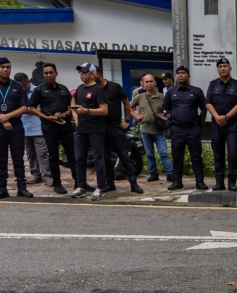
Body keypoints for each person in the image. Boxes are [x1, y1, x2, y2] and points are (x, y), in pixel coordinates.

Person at [0, 57, 31, 200]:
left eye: (8, 67)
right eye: (2, 67)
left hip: (15, 125)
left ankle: (22, 187)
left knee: (18, 157)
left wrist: (7, 117)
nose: (6, 69)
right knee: (0, 157)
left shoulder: (17, 86)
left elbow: (24, 107)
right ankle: (1, 188)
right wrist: (1, 118)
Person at [28, 63, 77, 195]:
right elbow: (31, 108)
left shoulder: (63, 89)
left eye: (51, 72)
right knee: (53, 156)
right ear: (43, 75)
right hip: (49, 127)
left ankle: (79, 183)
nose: (49, 75)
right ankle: (57, 183)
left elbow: (71, 106)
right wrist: (46, 117)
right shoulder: (39, 90)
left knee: (72, 154)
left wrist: (65, 114)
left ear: (56, 73)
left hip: (65, 126)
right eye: (46, 73)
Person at [95, 66, 142, 194]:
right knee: (105, 158)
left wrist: (126, 121)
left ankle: (134, 184)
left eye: (89, 73)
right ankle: (110, 183)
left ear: (97, 73)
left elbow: (127, 104)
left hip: (115, 127)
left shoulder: (114, 86)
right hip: (100, 128)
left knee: (124, 156)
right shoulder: (94, 89)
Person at [163, 65, 207, 191]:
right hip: (177, 129)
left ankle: (200, 182)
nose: (180, 75)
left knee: (196, 157)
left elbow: (203, 109)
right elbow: (168, 109)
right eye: (178, 73)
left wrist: (200, 125)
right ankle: (177, 182)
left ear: (188, 76)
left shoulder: (197, 91)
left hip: (193, 128)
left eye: (183, 73)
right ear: (175, 76)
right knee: (177, 157)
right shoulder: (171, 92)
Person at [69, 62, 109, 201]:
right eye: (80, 72)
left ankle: (100, 187)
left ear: (92, 74)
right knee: (79, 159)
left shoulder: (98, 90)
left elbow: (104, 110)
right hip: (81, 130)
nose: (81, 74)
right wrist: (76, 117)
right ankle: (81, 186)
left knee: (98, 159)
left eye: (84, 72)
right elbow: (73, 101)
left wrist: (86, 111)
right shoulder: (80, 88)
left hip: (95, 130)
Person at [205, 57, 237, 191]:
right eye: (220, 66)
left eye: (225, 66)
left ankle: (232, 182)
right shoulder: (213, 84)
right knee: (218, 154)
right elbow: (208, 102)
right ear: (217, 69)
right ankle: (219, 182)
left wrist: (226, 117)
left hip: (232, 125)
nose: (223, 68)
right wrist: (217, 117)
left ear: (230, 68)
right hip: (216, 125)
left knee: (232, 154)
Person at [131, 73, 174, 183]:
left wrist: (166, 117)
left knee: (163, 153)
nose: (149, 83)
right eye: (147, 82)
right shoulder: (139, 97)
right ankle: (153, 174)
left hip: (159, 131)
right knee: (149, 154)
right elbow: (128, 106)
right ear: (143, 84)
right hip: (145, 130)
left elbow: (171, 109)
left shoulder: (162, 97)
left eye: (151, 81)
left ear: (155, 83)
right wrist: (136, 116)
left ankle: (170, 174)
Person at [15, 73, 50, 186]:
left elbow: (42, 109)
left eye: (23, 85)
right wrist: (30, 109)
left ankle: (47, 176)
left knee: (42, 154)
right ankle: (36, 175)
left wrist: (25, 109)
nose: (22, 87)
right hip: (24, 128)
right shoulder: (17, 92)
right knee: (30, 154)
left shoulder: (38, 90)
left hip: (38, 127)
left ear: (27, 81)